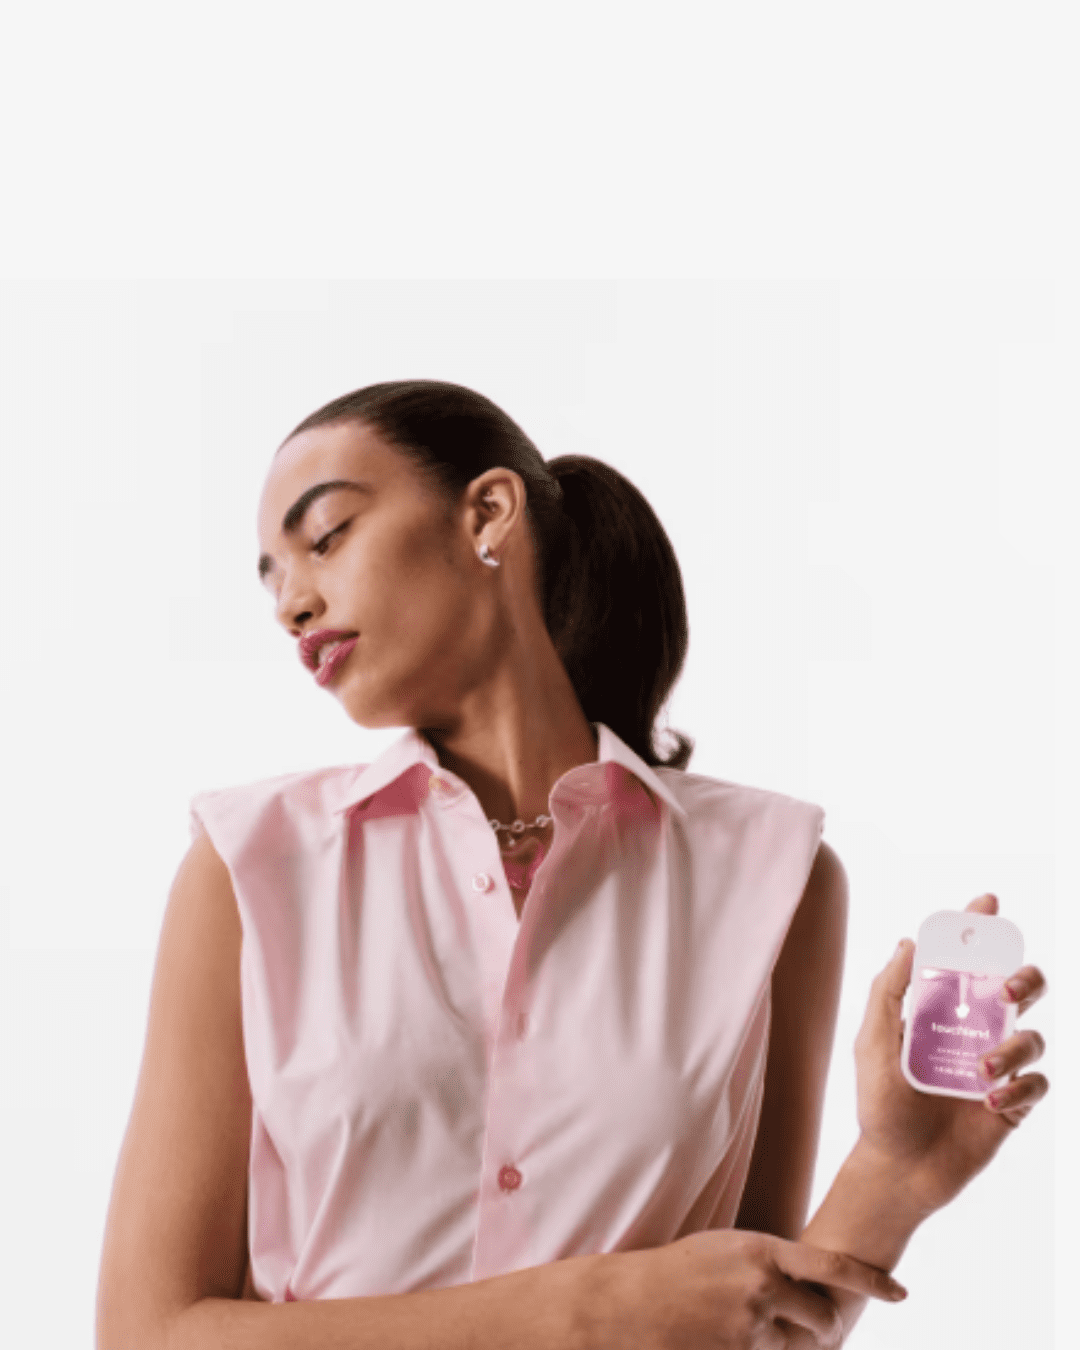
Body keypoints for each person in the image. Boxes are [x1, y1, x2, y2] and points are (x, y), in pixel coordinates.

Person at [96, 380, 1050, 1350]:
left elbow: (756, 1324)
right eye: (271, 581)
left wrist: (895, 1174)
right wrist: (587, 1311)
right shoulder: (250, 867)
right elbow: (144, 1333)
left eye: (327, 536)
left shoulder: (776, 879)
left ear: (488, 514)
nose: (292, 603)